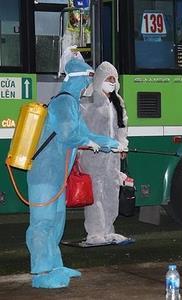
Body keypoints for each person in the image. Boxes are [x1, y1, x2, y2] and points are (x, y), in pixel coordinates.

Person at [26, 54, 119, 288]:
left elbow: (85, 132)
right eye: (86, 80)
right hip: (44, 176)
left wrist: (112, 143)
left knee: (56, 221)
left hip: (57, 176)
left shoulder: (73, 104)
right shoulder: (63, 102)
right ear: (76, 79)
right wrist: (89, 142)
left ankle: (55, 265)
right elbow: (71, 135)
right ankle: (41, 272)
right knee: (43, 223)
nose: (88, 85)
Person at [79, 61, 130, 246]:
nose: (111, 82)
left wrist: (122, 145)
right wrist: (96, 143)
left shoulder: (117, 101)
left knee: (111, 191)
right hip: (92, 156)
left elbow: (122, 127)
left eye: (113, 79)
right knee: (95, 194)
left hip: (112, 158)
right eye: (108, 78)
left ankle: (108, 230)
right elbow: (82, 129)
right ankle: (95, 232)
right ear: (100, 79)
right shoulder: (88, 101)